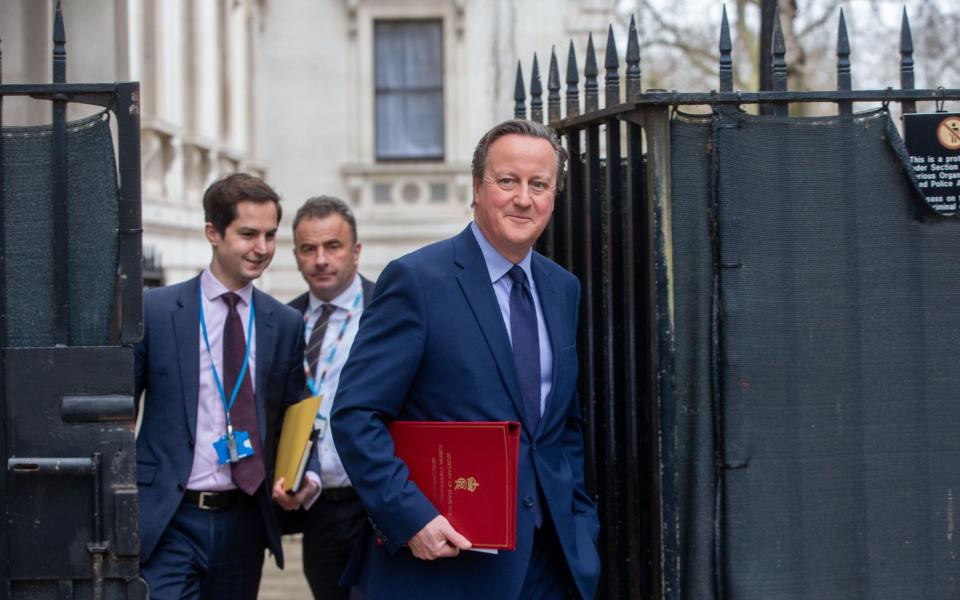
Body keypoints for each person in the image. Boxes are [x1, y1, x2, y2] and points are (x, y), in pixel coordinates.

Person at [331, 119, 601, 599]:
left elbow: (561, 426)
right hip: (446, 565)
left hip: (550, 562)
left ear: (553, 196)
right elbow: (356, 416)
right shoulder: (416, 281)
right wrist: (410, 517)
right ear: (476, 187)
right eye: (507, 181)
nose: (524, 198)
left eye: (538, 184)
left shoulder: (562, 289)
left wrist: (581, 522)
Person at [135, 173, 306, 599]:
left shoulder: (283, 323)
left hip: (243, 522)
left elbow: (296, 414)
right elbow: (115, 409)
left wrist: (303, 476)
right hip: (169, 518)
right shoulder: (156, 312)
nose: (262, 248)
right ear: (213, 232)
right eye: (248, 234)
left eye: (270, 235)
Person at [275, 196, 376, 599]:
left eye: (332, 246)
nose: (320, 259)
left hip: (375, 506)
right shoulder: (282, 322)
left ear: (355, 252)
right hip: (315, 509)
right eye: (308, 249)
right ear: (296, 256)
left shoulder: (387, 311)